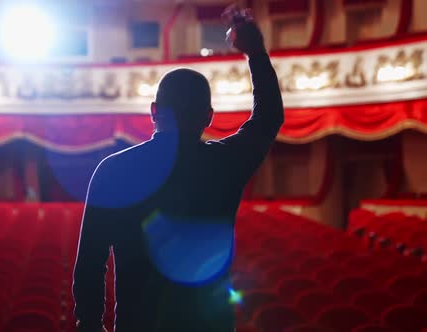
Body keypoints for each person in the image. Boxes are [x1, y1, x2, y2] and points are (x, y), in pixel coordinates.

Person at [73, 6, 283, 332]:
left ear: (154, 111)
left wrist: (89, 324)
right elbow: (269, 117)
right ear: (208, 117)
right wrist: (255, 52)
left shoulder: (112, 170)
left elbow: (90, 262)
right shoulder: (225, 163)